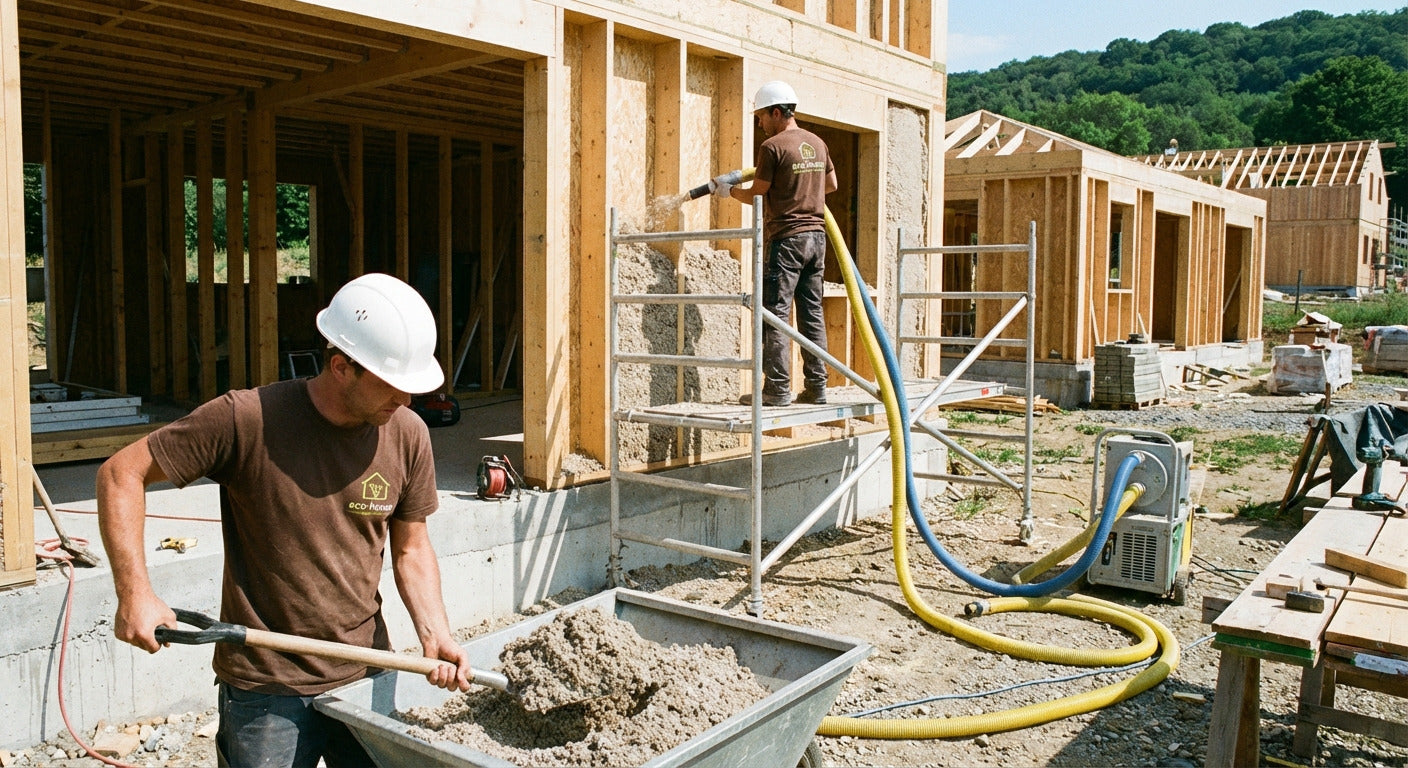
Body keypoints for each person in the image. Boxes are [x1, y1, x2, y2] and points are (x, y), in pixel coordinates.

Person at [97, 272, 473, 768]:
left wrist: (435, 633)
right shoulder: (247, 419)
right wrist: (135, 593)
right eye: (393, 386)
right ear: (341, 367)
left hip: (367, 672)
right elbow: (121, 474)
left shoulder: (407, 435)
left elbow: (411, 549)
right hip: (266, 689)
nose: (405, 400)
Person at [714, 80, 839, 407]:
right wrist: (802, 192)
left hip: (787, 240)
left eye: (760, 116)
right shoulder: (818, 143)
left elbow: (757, 194)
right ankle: (817, 388)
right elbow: (831, 185)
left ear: (775, 112)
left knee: (776, 314)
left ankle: (778, 390)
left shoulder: (773, 147)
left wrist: (727, 191)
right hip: (817, 238)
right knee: (812, 315)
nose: (759, 123)